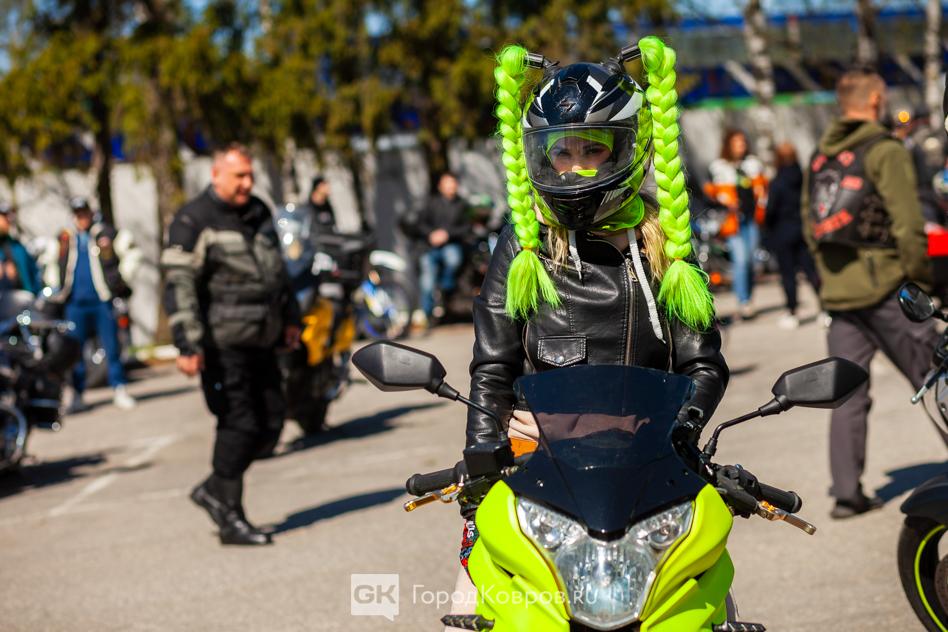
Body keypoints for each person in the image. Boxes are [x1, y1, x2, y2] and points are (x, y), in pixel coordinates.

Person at [455, 38, 728, 603]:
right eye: (561, 151)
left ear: (626, 148)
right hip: (540, 471)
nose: (575, 165)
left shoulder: (667, 245)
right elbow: (493, 367)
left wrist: (680, 433)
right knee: (472, 605)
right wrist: (482, 464)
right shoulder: (524, 244)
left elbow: (702, 365)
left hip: (650, 473)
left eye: (593, 149)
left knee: (709, 607)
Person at [802, 67, 937, 519]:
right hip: (887, 290)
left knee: (846, 395)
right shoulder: (885, 150)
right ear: (876, 100)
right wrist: (922, 284)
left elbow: (809, 225)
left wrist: (829, 279)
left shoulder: (819, 156)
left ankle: (846, 494)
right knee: (936, 379)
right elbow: (908, 224)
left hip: (841, 296)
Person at [161, 143, 301, 546]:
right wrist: (187, 344)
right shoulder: (193, 219)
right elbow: (179, 285)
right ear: (216, 175)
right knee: (239, 424)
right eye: (239, 176)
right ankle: (230, 515)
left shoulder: (258, 210)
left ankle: (213, 489)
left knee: (271, 423)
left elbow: (278, 272)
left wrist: (291, 318)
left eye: (250, 175)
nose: (247, 183)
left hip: (264, 339)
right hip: (223, 345)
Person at [46, 197, 138, 412]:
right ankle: (78, 394)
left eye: (84, 213)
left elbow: (133, 252)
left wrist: (122, 278)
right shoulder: (65, 238)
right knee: (74, 352)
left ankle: (119, 388)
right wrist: (54, 285)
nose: (81, 218)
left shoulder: (104, 233)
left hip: (101, 301)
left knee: (112, 347)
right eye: (78, 214)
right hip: (75, 304)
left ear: (90, 213)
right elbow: (49, 262)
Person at [704, 129, 768, 319]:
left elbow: (763, 190)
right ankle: (743, 301)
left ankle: (748, 297)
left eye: (743, 141)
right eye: (737, 142)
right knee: (741, 260)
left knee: (751, 261)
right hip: (732, 222)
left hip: (751, 219)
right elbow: (709, 193)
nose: (741, 145)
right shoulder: (719, 167)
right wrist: (724, 202)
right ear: (729, 145)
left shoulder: (753, 164)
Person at [764, 143, 822, 329]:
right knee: (811, 270)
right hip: (803, 230)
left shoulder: (777, 182)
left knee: (788, 274)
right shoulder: (804, 178)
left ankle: (792, 312)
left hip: (783, 232)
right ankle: (825, 309)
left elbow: (770, 210)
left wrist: (767, 228)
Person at [415, 172, 468, 323]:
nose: (450, 187)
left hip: (451, 244)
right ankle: (426, 314)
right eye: (447, 184)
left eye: (452, 183)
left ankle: (445, 289)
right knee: (427, 281)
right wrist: (431, 235)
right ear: (440, 186)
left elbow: (466, 227)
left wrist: (447, 234)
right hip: (429, 247)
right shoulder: (431, 203)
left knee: (453, 259)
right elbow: (420, 224)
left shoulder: (462, 205)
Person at [0, 203, 41, 294]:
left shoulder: (17, 247)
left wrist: (34, 294)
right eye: (4, 217)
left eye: (8, 217)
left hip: (20, 298)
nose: (8, 220)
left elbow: (33, 273)